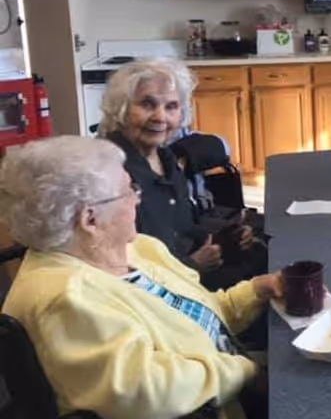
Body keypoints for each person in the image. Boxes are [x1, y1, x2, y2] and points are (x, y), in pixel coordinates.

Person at [0, 136, 282, 419]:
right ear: (91, 219)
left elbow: (200, 318)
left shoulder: (136, 248)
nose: (138, 197)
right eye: (128, 191)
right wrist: (245, 372)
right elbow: (146, 390)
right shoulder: (65, 299)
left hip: (236, 372)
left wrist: (257, 290)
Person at [97, 58, 263, 291]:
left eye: (171, 107)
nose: (160, 117)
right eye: (147, 104)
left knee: (270, 251)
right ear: (121, 110)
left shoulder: (166, 160)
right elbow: (121, 269)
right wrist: (193, 265)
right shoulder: (110, 174)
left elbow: (183, 225)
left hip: (193, 269)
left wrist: (224, 235)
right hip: (169, 292)